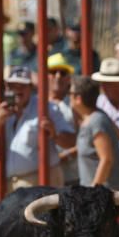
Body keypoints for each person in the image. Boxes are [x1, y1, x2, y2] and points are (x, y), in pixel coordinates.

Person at [0, 66, 75, 192]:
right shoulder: (0, 109)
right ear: (7, 87)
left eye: (22, 86)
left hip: (42, 179)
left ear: (31, 88)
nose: (18, 90)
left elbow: (71, 141)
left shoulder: (47, 108)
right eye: (13, 85)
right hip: (10, 184)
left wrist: (54, 133)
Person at [70, 76, 119, 190]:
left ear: (78, 98)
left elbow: (106, 159)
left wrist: (93, 190)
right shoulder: (93, 117)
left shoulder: (97, 120)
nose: (68, 97)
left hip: (104, 195)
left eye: (70, 93)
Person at [46, 53, 78, 184]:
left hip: (71, 176)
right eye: (53, 72)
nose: (58, 76)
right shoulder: (34, 104)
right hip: (44, 174)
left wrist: (65, 156)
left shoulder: (76, 104)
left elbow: (86, 139)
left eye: (63, 73)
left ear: (69, 78)